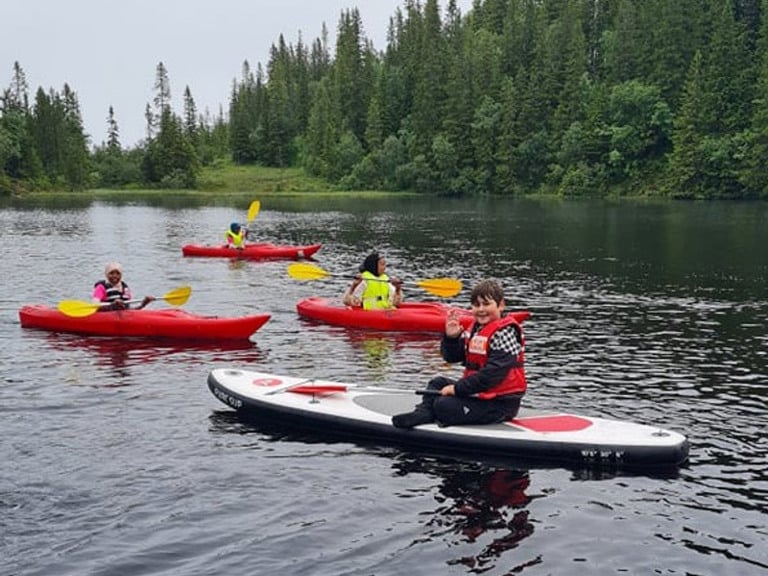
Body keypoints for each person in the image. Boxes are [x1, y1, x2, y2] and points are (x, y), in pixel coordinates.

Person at [392, 279, 526, 428]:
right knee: (437, 383)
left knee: (444, 405)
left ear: (501, 305)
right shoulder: (476, 328)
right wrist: (452, 338)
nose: (481, 309)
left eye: (486, 304)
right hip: (480, 394)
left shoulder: (506, 333)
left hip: (500, 403)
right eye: (476, 305)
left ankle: (434, 411)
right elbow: (452, 357)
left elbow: (492, 375)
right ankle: (423, 413)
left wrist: (457, 389)